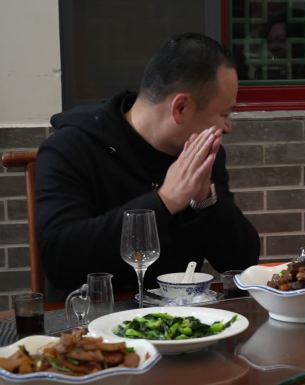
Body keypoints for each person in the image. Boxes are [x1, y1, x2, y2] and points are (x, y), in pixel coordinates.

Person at [35, 33, 261, 296]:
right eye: (224, 114)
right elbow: (60, 259)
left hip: (179, 323)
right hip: (90, 325)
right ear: (181, 108)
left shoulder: (200, 154)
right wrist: (165, 202)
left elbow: (241, 263)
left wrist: (206, 200)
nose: (227, 127)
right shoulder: (71, 147)